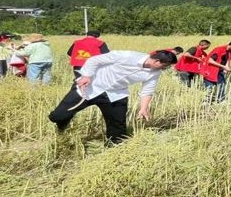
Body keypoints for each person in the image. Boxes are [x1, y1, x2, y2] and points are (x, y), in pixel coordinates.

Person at [48, 50, 177, 146]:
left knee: (118, 129)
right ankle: (62, 127)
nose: (165, 69)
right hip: (90, 88)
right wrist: (86, 76)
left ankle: (113, 148)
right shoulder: (126, 56)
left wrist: (143, 108)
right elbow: (94, 60)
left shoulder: (155, 72)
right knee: (58, 116)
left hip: (116, 95)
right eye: (165, 66)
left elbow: (148, 90)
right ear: (156, 61)